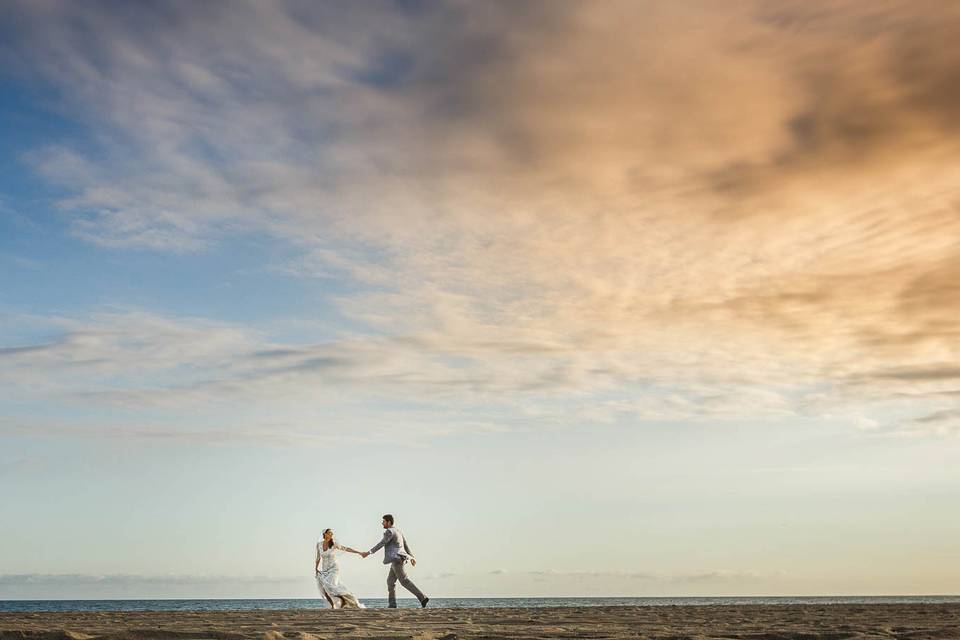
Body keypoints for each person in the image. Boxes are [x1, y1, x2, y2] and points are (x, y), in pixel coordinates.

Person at [361, 513, 429, 608]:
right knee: (390, 581)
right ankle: (392, 604)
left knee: (404, 581)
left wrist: (368, 552)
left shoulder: (389, 531)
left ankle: (422, 597)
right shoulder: (398, 531)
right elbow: (405, 545)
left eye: (384, 521)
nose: (382, 523)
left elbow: (382, 543)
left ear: (389, 522)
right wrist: (412, 557)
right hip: (397, 559)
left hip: (396, 559)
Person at [314, 528, 365, 609]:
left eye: (332, 533)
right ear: (325, 534)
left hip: (334, 568)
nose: (331, 534)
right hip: (324, 569)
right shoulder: (319, 544)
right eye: (329, 533)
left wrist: (359, 552)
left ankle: (347, 600)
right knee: (324, 588)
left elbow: (346, 548)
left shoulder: (334, 544)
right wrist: (316, 568)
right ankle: (333, 605)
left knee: (331, 586)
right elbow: (318, 557)